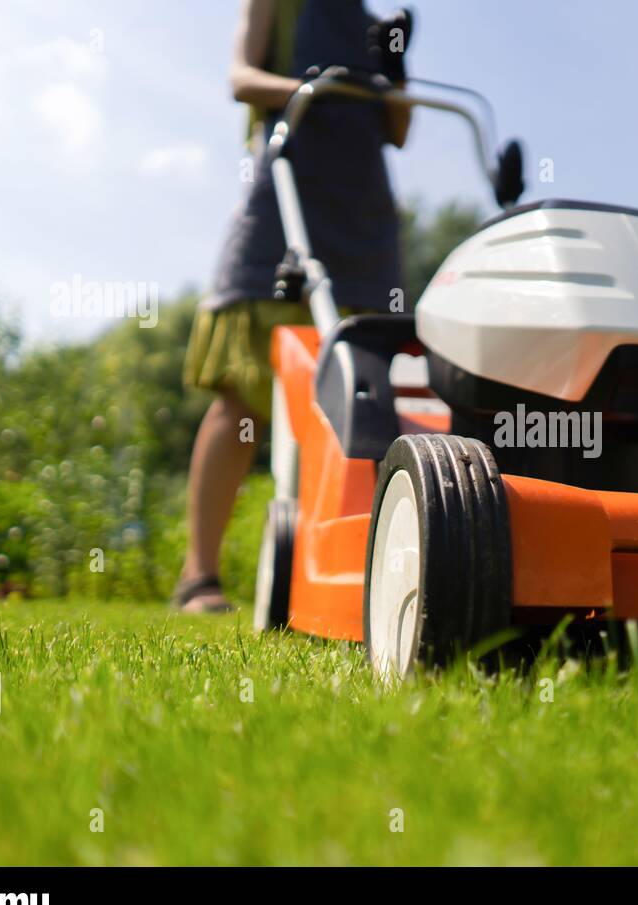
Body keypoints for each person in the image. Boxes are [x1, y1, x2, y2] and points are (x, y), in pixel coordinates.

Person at [175, 0, 410, 612]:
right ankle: (199, 575)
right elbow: (241, 80)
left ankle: (359, 564)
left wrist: (395, 69)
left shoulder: (370, 20)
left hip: (363, 220)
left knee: (366, 398)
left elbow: (400, 129)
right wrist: (315, 89)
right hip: (284, 202)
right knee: (242, 397)